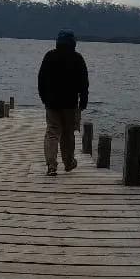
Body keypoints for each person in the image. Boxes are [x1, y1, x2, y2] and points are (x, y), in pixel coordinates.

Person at [37, 29, 89, 176]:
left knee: (52, 132)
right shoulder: (78, 58)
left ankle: (51, 166)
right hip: (70, 104)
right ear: (73, 42)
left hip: (52, 103)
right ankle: (68, 163)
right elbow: (84, 84)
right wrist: (83, 102)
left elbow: (41, 79)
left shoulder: (49, 56)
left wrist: (43, 97)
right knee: (67, 134)